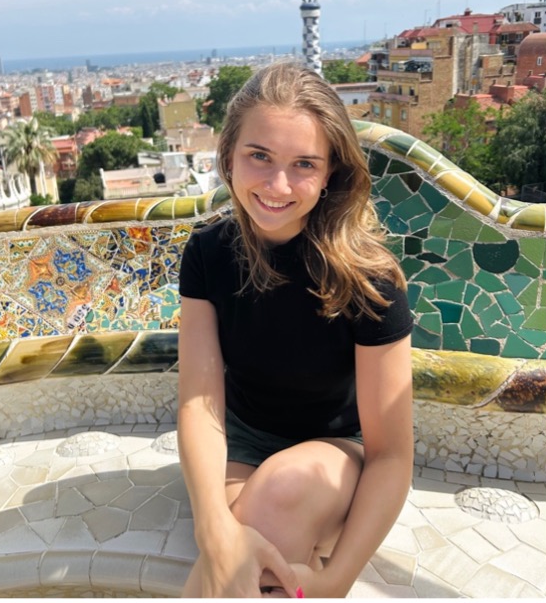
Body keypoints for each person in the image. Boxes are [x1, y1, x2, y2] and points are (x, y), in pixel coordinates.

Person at [177, 63, 414, 598]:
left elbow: (392, 455)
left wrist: (335, 581)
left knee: (278, 500)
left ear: (330, 174)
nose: (277, 185)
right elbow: (200, 404)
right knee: (241, 550)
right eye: (259, 156)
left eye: (303, 164)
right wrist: (212, 527)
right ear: (228, 157)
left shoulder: (367, 278)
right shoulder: (208, 254)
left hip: (335, 452)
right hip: (241, 446)